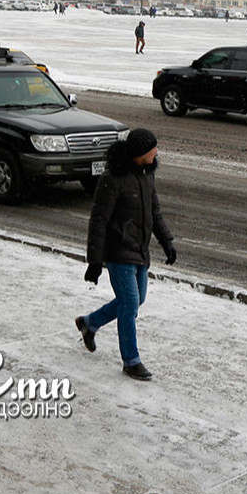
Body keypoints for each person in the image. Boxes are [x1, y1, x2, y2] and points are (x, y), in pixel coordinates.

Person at [75, 128, 176, 381]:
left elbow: (155, 213)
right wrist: (95, 261)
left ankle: (90, 323)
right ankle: (131, 360)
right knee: (130, 303)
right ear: (140, 153)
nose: (156, 152)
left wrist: (166, 241)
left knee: (136, 299)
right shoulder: (113, 178)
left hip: (139, 250)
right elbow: (98, 220)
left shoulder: (146, 175)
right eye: (152, 148)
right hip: (118, 251)